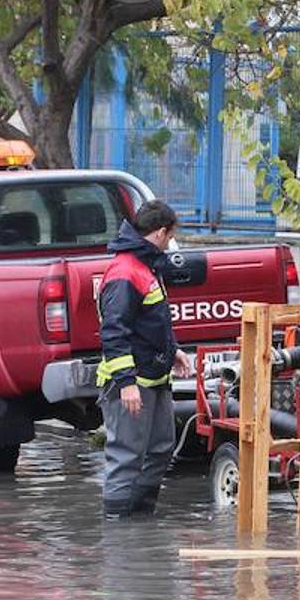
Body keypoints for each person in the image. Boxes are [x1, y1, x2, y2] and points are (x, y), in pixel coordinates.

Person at [96, 200, 192, 518]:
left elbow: (151, 322)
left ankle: (139, 526)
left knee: (161, 450)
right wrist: (126, 384)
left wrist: (173, 349)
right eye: (170, 237)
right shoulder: (126, 272)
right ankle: (120, 537)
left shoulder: (145, 267)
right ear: (161, 233)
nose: (170, 244)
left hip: (154, 379)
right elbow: (114, 332)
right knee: (126, 459)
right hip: (131, 383)